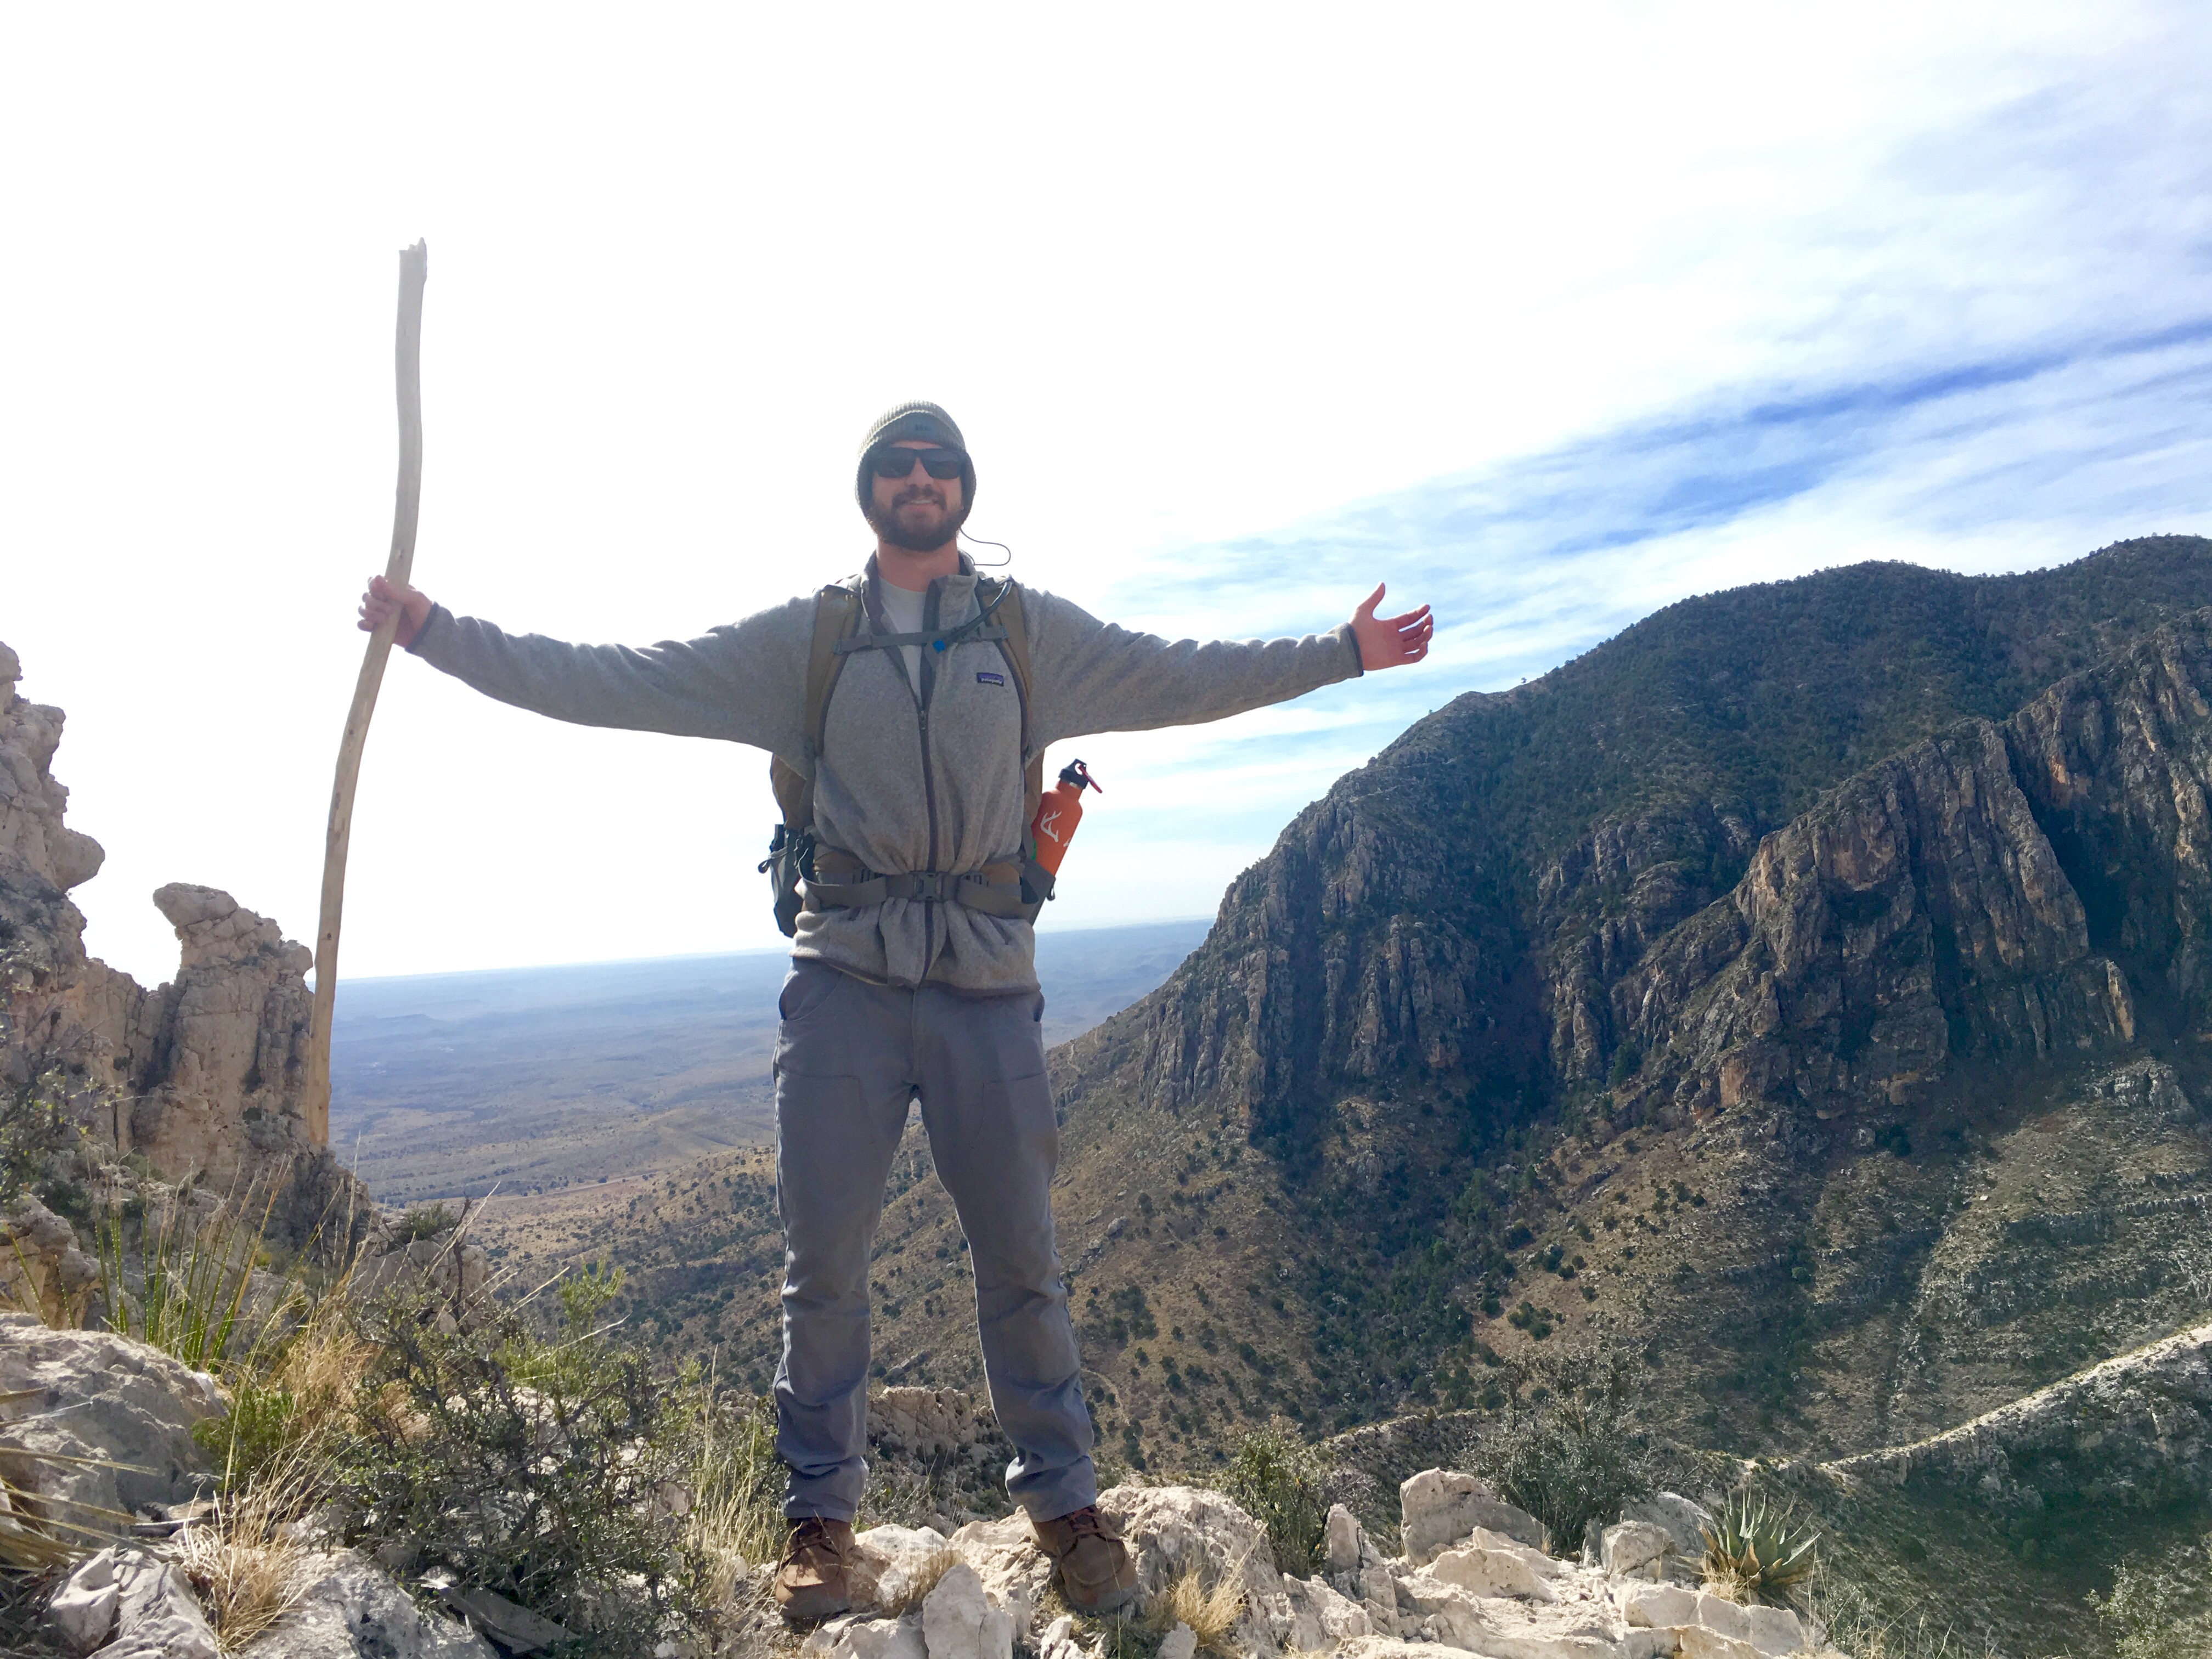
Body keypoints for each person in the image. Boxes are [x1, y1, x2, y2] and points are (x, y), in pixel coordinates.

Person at [358, 401, 1434, 1620]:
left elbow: (1185, 674)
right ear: (868, 488)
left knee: (1022, 1261)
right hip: (846, 986)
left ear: (965, 487)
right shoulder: (810, 640)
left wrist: (1340, 653)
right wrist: (436, 633)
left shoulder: (1026, 632)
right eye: (896, 465)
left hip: (986, 985)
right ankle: (820, 1528)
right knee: (823, 1266)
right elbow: (615, 678)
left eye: (939, 465)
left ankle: (1068, 1512)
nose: (919, 480)